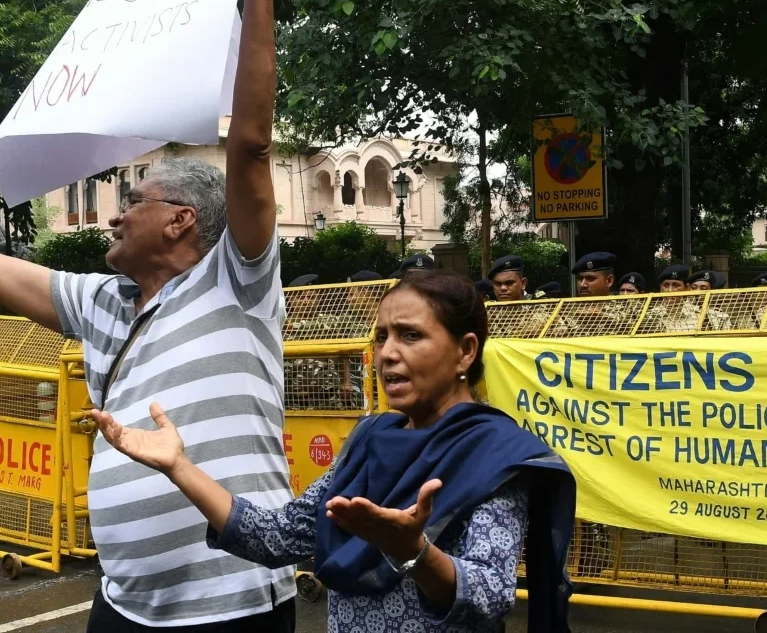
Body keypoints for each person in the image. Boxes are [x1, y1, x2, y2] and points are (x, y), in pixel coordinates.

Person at [0, 0, 296, 628]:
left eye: (132, 201)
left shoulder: (238, 285)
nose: (114, 217)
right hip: (122, 605)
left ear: (181, 221)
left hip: (233, 607)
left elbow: (251, 147)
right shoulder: (102, 302)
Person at [92, 271, 576, 633]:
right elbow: (279, 537)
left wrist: (414, 550)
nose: (387, 352)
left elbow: (489, 596)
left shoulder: (496, 455)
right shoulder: (371, 439)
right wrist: (179, 467)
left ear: (465, 352)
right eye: (382, 336)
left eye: (411, 335)